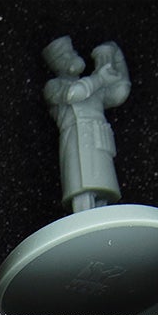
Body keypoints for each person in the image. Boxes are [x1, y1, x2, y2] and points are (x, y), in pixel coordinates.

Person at [43, 38, 130, 213]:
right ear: (56, 64)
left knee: (104, 191)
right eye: (65, 55)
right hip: (76, 143)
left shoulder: (93, 85)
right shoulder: (54, 86)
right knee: (82, 191)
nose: (72, 56)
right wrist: (100, 78)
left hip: (99, 140)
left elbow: (120, 92)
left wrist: (117, 57)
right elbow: (74, 93)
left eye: (72, 52)